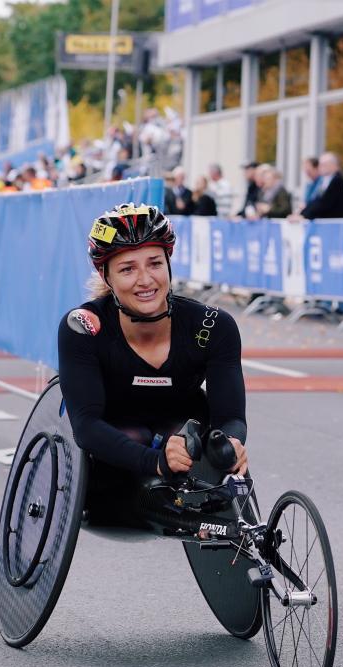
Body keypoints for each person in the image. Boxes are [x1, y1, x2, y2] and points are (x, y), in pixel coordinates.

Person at [57, 204, 248, 526]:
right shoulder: (85, 326)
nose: (145, 280)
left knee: (216, 449)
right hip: (114, 448)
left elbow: (231, 417)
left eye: (155, 264)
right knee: (134, 437)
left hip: (182, 430)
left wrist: (230, 442)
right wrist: (156, 462)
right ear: (107, 276)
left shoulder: (213, 325)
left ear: (169, 265)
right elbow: (86, 425)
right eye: (128, 269)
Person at [298, 152, 343, 220]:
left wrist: (303, 216)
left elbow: (323, 203)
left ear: (333, 165)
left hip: (334, 224)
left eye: (323, 165)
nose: (320, 167)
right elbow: (316, 201)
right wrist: (302, 214)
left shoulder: (337, 181)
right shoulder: (325, 181)